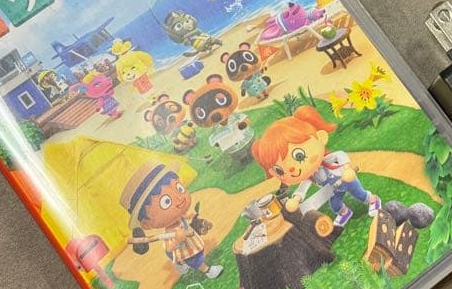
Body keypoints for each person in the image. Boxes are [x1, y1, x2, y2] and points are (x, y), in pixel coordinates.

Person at [251, 106, 380, 229]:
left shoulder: (326, 160)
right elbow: (303, 188)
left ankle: (373, 200)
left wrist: (347, 169)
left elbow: (339, 155)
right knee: (335, 205)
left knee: (360, 194)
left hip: (346, 180)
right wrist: (296, 199)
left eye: (299, 156)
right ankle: (344, 212)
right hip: (331, 189)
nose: (292, 170)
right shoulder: (310, 176)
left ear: (321, 138)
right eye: (279, 170)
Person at [120, 161, 222, 278]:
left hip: (193, 243)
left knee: (198, 254)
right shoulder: (170, 232)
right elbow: (169, 248)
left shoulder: (179, 219)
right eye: (166, 202)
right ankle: (208, 271)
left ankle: (180, 264)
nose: (179, 199)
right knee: (196, 260)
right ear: (146, 223)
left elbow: (184, 218)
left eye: (179, 189)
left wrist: (190, 216)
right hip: (187, 251)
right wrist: (177, 239)